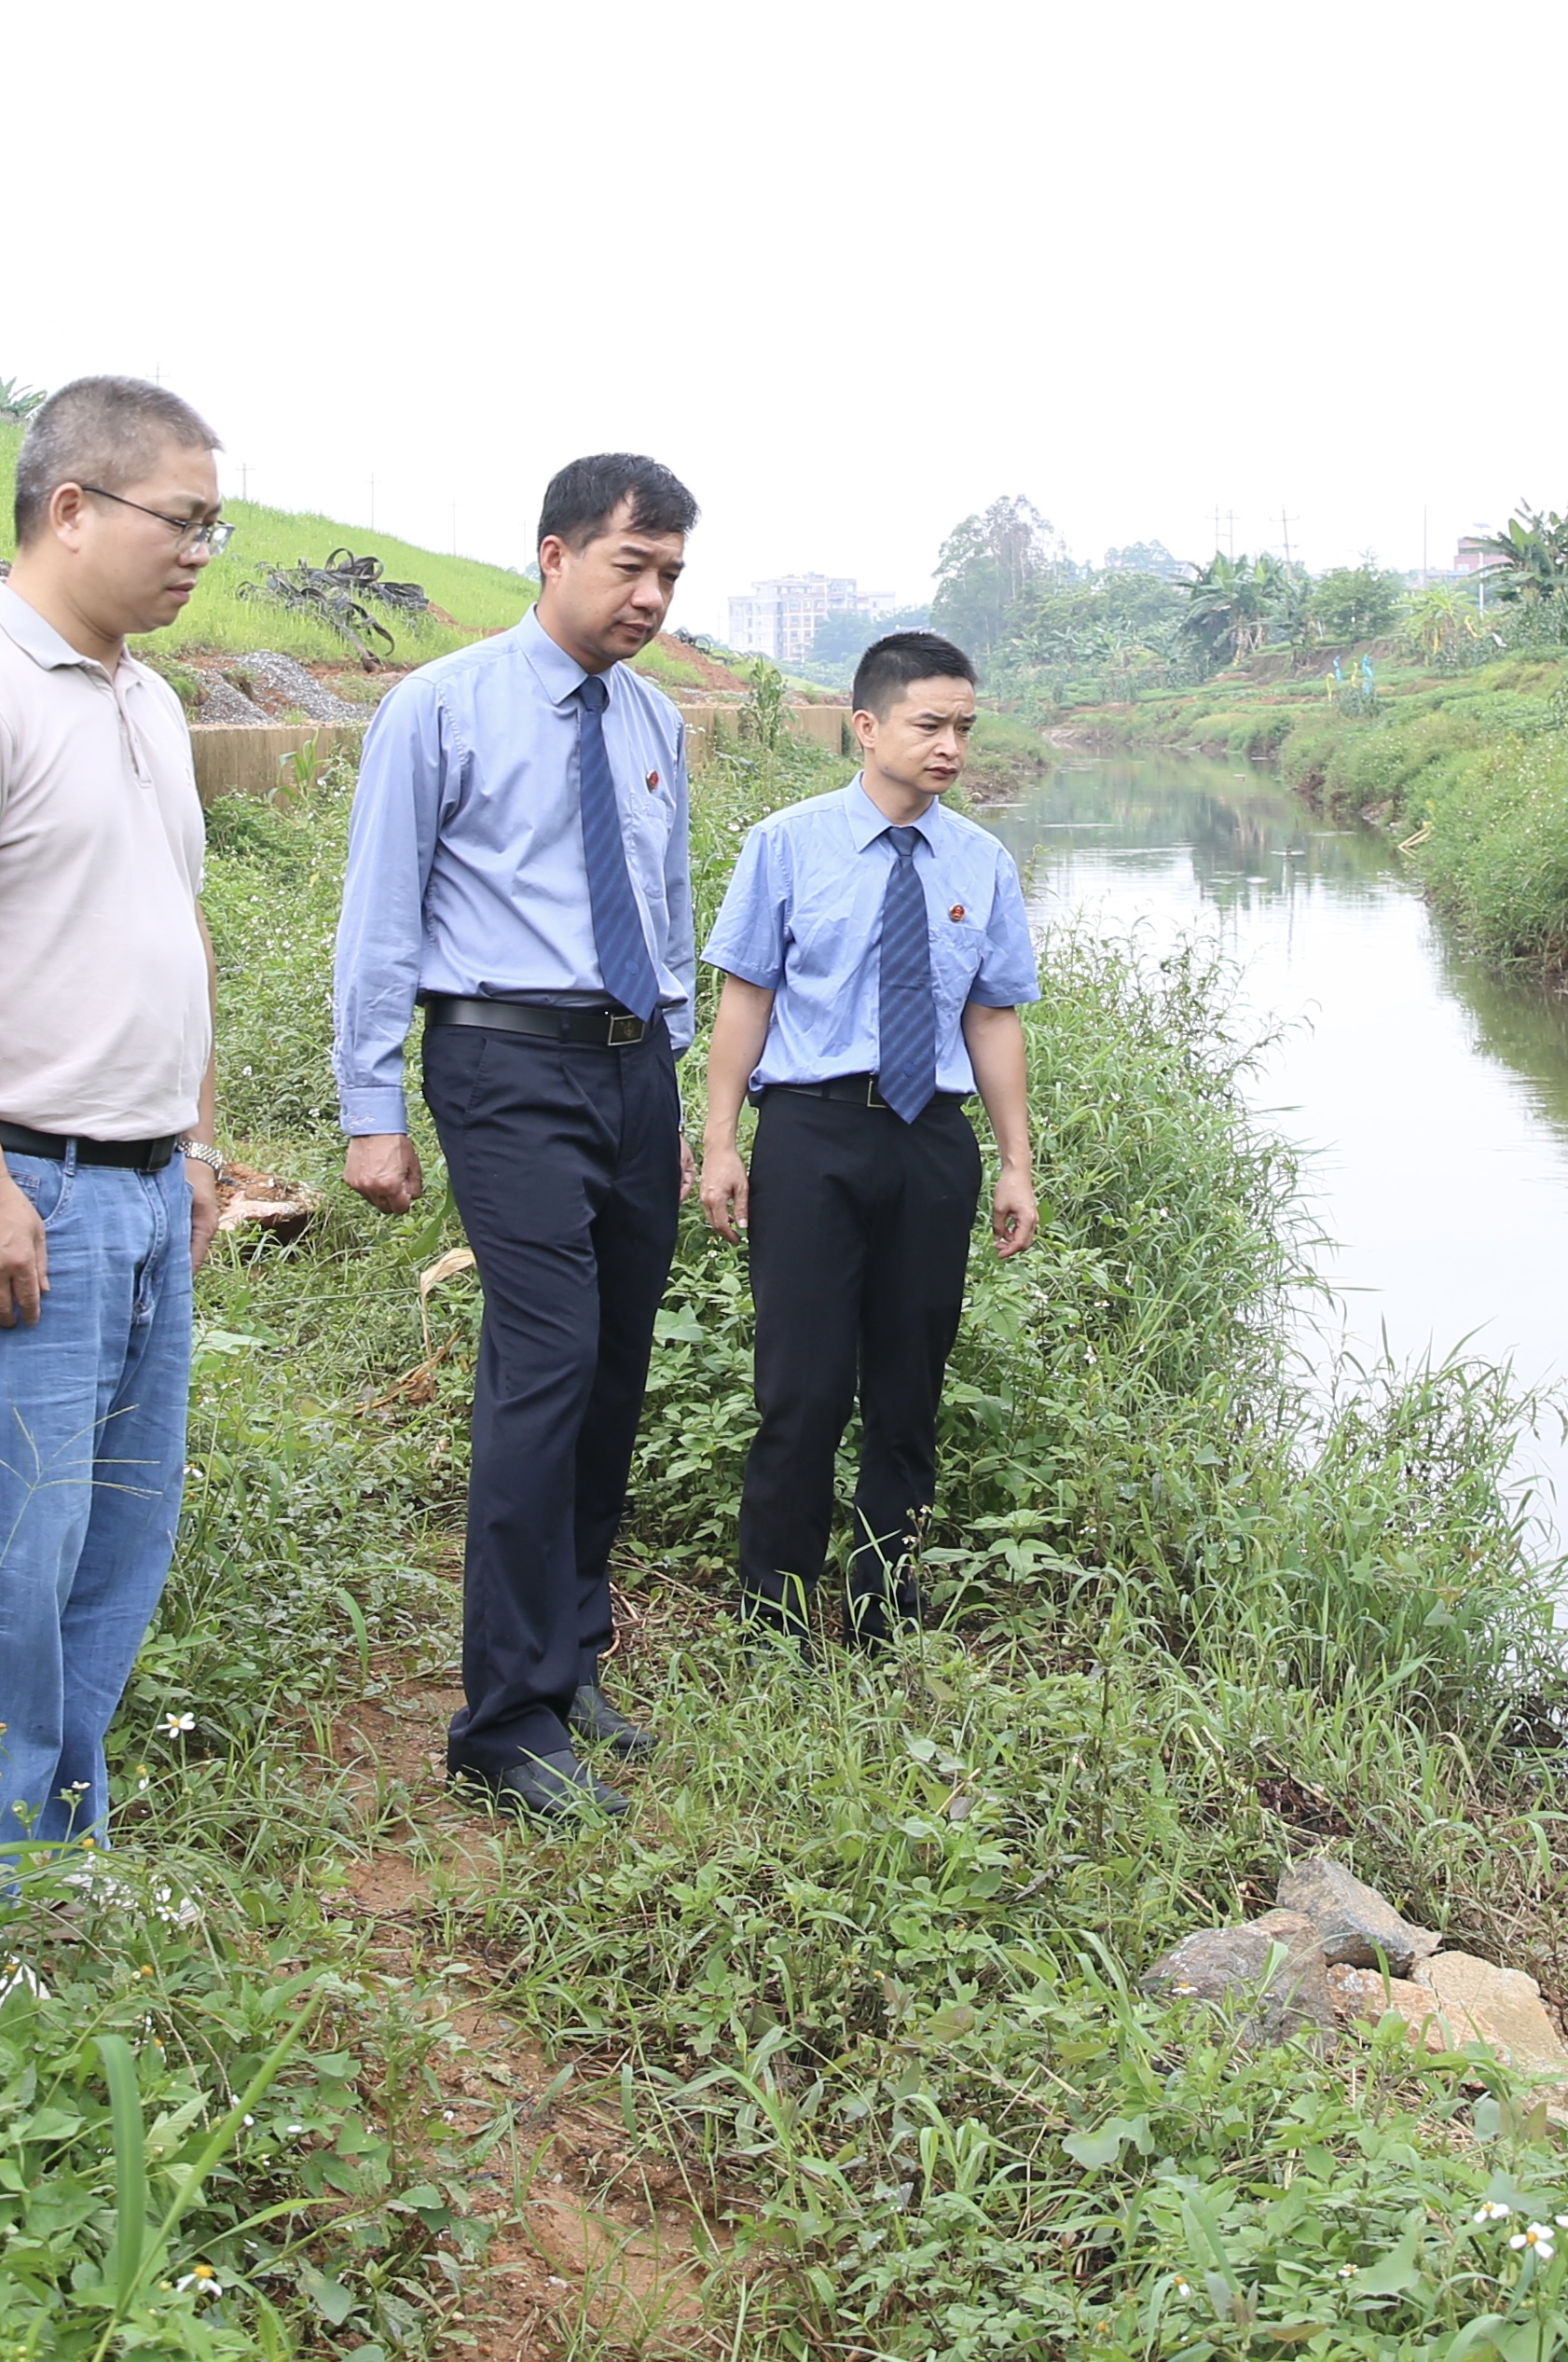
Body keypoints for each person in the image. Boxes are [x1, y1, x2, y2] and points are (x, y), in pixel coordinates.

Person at [0, 378, 234, 1869]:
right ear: (69, 507)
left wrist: (194, 1143)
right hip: (23, 1186)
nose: (202, 549)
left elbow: (172, 927)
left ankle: (52, 1865)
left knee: (105, 1555)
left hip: (137, 1190)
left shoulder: (144, 695)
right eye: (181, 518)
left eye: (216, 522)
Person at [329, 454, 698, 1819]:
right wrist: (370, 1105)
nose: (649, 596)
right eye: (628, 566)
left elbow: (662, 909)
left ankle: (570, 1657)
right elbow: (380, 911)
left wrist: (666, 1083)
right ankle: (500, 1721)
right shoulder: (439, 708)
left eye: (668, 574)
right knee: (542, 1365)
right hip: (502, 1061)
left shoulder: (654, 719)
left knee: (612, 1367)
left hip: (629, 1069)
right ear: (551, 555)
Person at [693, 628, 1039, 1645]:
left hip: (931, 1144)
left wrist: (1016, 1162)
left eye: (963, 728)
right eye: (928, 725)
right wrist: (720, 1144)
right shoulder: (786, 844)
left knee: (906, 1386)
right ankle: (777, 1613)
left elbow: (991, 1017)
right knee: (798, 1390)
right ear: (866, 726)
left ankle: (885, 1604)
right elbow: (744, 1001)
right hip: (812, 1134)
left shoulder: (981, 860)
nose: (949, 748)